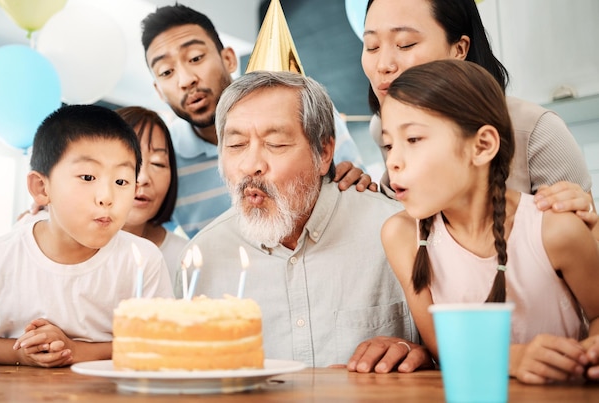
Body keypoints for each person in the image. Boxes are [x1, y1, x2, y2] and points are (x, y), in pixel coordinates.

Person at [181, 70, 433, 371]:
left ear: (324, 152)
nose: (251, 165)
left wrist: (421, 357)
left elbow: (452, 359)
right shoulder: (202, 260)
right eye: (236, 145)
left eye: (275, 144)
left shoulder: (397, 232)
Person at [380, 59, 599, 384]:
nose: (393, 162)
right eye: (388, 144)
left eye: (413, 139)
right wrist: (513, 358)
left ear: (482, 146)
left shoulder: (555, 230)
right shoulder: (400, 236)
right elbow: (441, 344)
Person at [141, 4, 375, 238]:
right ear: (158, 91)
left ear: (229, 59)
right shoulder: (164, 160)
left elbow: (358, 188)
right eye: (166, 72)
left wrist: (357, 182)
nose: (186, 80)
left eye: (195, 58)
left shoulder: (305, 109)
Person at [360, 0, 597, 230]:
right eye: (372, 46)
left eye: (405, 44)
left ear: (459, 49)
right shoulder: (380, 129)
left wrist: (586, 226)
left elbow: (583, 248)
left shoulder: (536, 130)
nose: (383, 65)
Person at [0, 105, 174, 367]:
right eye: (88, 176)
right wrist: (19, 353)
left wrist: (75, 351)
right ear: (42, 187)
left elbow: (161, 341)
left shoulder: (142, 259)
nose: (106, 197)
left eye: (121, 182)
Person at [115, 106, 188, 291]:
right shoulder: (54, 239)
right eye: (129, 160)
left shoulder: (184, 258)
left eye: (158, 163)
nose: (143, 178)